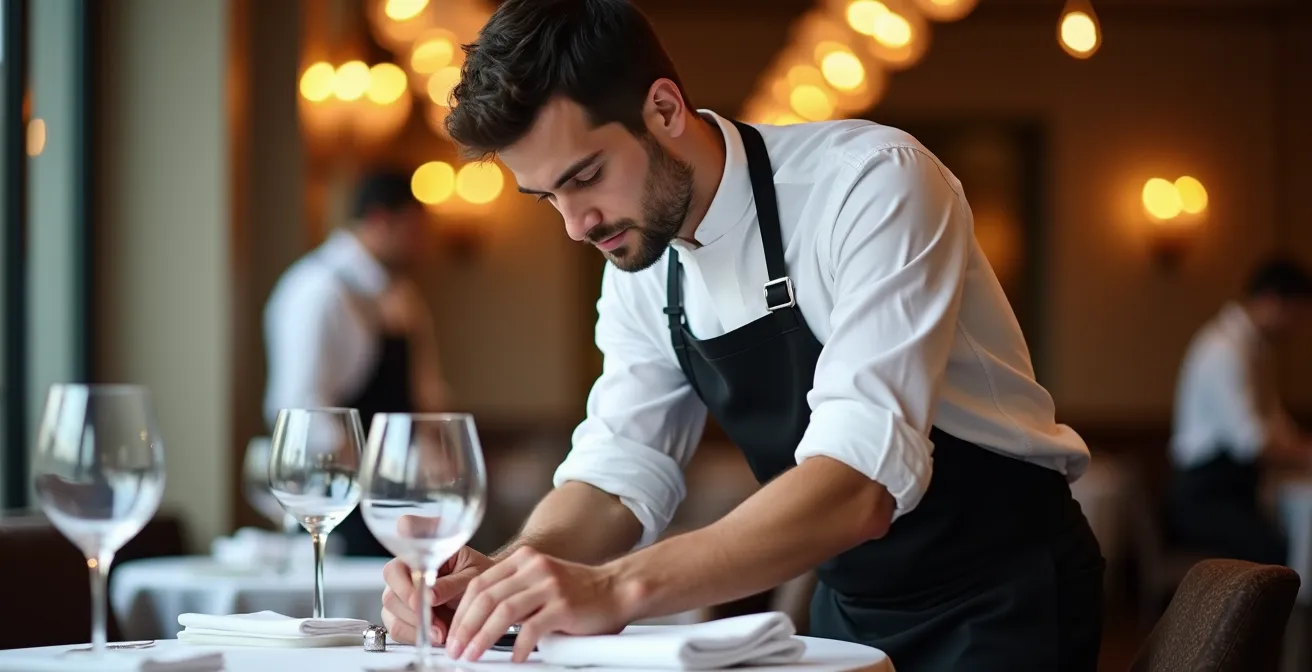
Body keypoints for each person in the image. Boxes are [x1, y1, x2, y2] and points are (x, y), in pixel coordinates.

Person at [380, 1, 1103, 669]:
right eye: (548, 199)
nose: (576, 225)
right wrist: (503, 580)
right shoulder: (640, 268)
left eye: (587, 176)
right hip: (847, 607)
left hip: (1006, 593)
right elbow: (616, 473)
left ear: (662, 108)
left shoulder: (873, 184)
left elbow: (858, 487)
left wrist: (616, 589)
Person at [263, 169, 449, 556]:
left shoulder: (403, 297)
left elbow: (424, 393)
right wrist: (370, 476)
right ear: (381, 220)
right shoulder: (317, 292)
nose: (424, 246)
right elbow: (300, 410)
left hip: (403, 501)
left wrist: (436, 464)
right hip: (338, 507)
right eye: (415, 232)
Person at [1167, 258, 1312, 565]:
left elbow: (1276, 425)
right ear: (1273, 302)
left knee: (1290, 541)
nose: (1297, 327)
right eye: (1296, 315)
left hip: (1233, 492)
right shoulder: (1225, 348)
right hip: (1205, 498)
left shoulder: (1256, 350)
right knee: (1276, 554)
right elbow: (1252, 441)